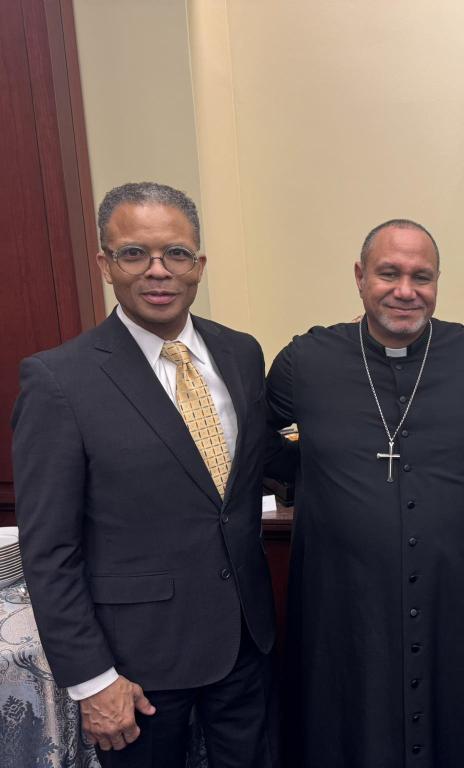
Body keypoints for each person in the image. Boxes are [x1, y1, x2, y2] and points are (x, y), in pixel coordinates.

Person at [12, 182, 276, 767]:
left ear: (199, 265)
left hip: (245, 643)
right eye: (135, 253)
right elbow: (50, 551)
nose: (159, 271)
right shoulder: (60, 381)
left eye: (176, 254)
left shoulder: (241, 354)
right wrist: (93, 680)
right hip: (135, 670)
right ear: (105, 264)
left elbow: (253, 472)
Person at [265, 219, 464, 767]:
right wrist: (313, 475)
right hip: (345, 606)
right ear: (361, 276)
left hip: (462, 603)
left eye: (422, 276)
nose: (406, 290)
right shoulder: (305, 362)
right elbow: (256, 442)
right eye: (389, 273)